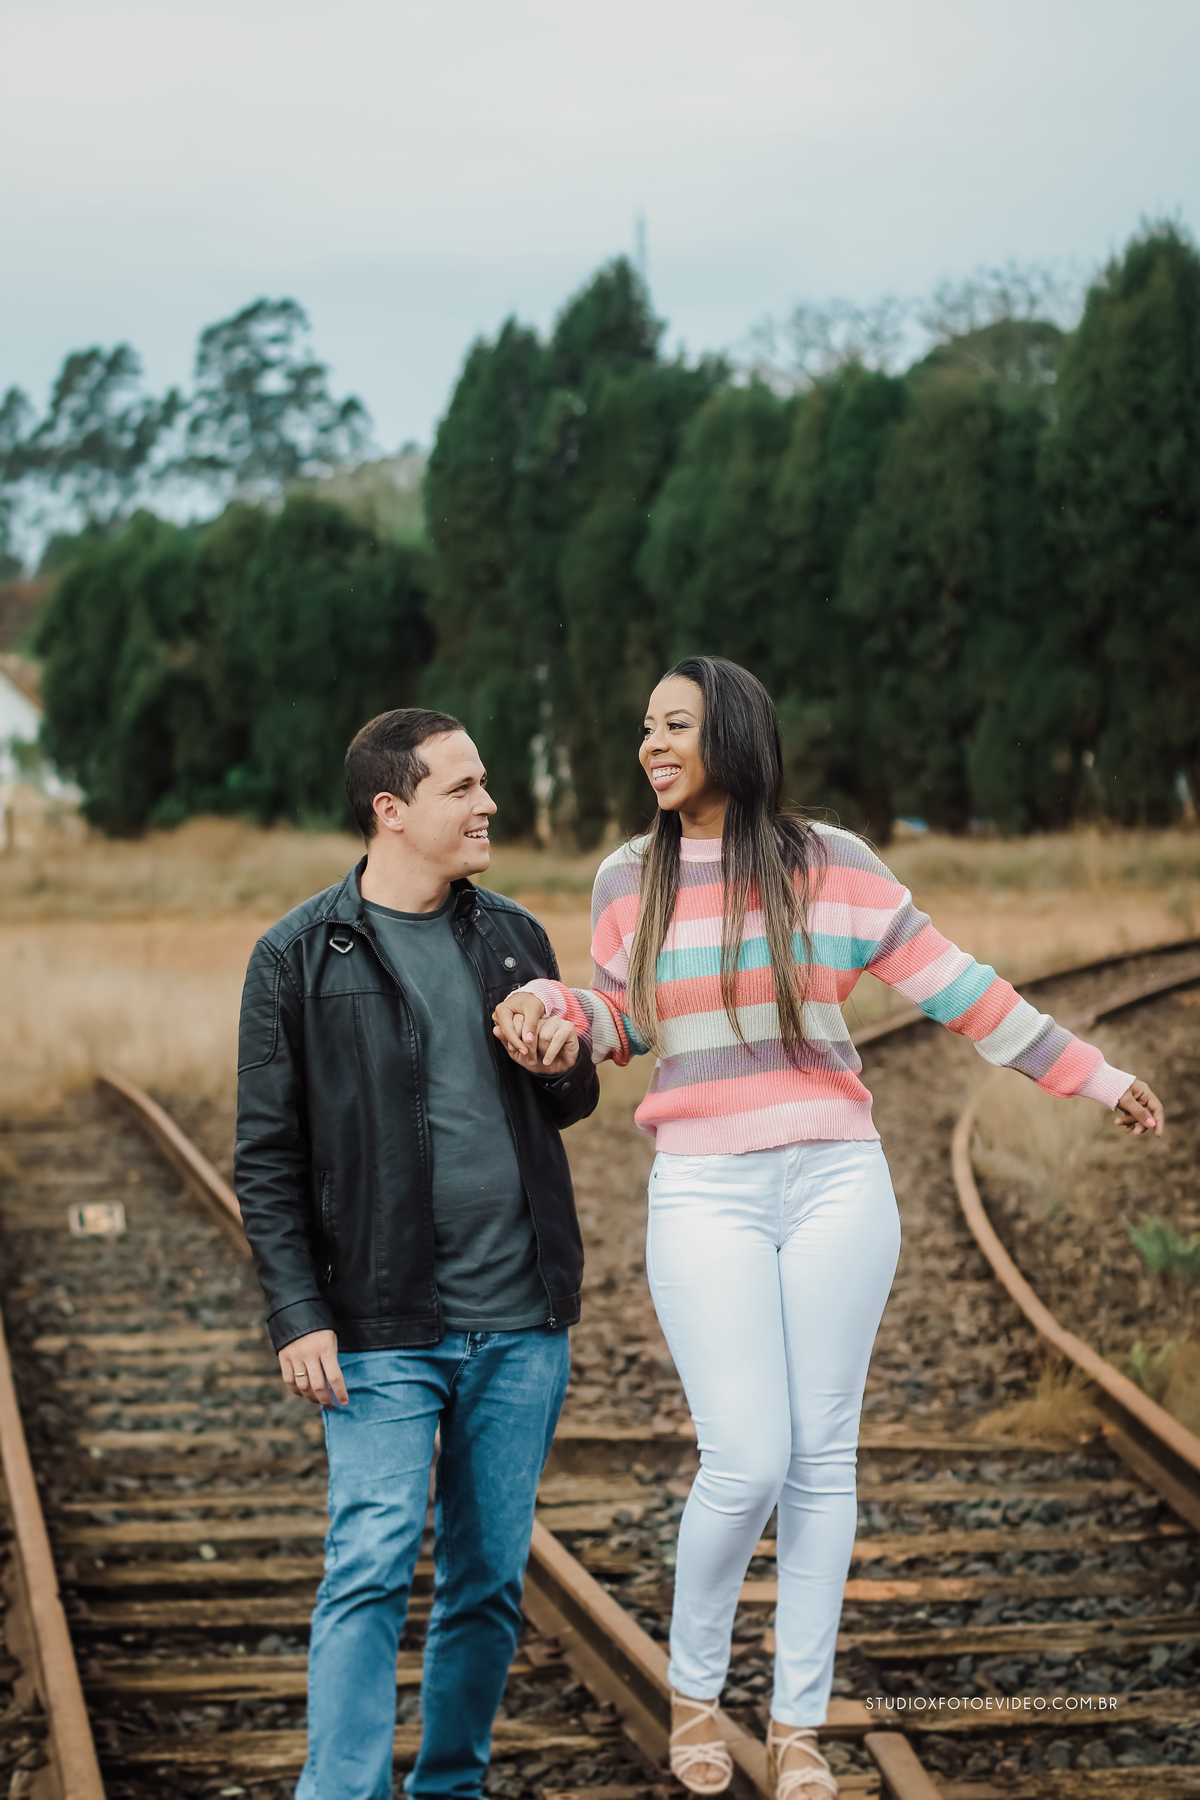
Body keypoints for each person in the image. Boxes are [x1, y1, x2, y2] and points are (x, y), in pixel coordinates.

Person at [492, 657, 1164, 1800]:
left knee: (820, 1461)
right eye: (646, 727)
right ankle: (695, 1692)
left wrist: (1093, 1076)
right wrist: (554, 1008)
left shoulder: (832, 864)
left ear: (733, 734)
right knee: (747, 1455)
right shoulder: (628, 877)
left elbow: (961, 989)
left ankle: (797, 1723)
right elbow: (622, 1018)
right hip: (704, 1189)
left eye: (675, 725)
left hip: (837, 1182)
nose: (652, 745)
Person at [234, 707, 597, 1800]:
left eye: (484, 783)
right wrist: (297, 1313)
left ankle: (450, 1786)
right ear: (391, 810)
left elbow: (570, 1099)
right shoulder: (297, 955)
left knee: (487, 1581)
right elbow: (266, 1157)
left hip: (520, 1319)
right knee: (369, 1567)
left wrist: (562, 1055)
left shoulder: (512, 935)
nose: (490, 804)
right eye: (463, 787)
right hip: (380, 1324)